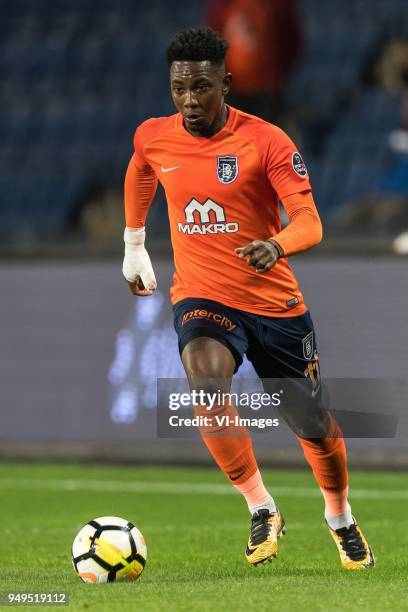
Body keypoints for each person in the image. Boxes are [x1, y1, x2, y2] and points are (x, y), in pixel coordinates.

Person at [122, 26, 374, 570]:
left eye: (202, 87)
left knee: (312, 422)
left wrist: (276, 244)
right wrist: (134, 243)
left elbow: (310, 222)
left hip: (274, 304)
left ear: (226, 83)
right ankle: (261, 507)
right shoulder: (154, 135)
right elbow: (141, 170)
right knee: (205, 383)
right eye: (179, 88)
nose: (189, 100)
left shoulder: (266, 141)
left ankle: (340, 517)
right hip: (201, 296)